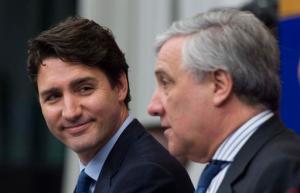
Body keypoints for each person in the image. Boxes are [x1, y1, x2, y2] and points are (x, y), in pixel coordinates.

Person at [26, 17, 194, 193]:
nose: (70, 112)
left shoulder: (146, 175)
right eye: (53, 96)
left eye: (84, 88)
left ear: (120, 85)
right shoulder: (99, 174)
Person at [147, 8, 300, 193]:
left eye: (166, 83)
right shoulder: (224, 168)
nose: (153, 107)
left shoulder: (284, 169)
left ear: (219, 85)